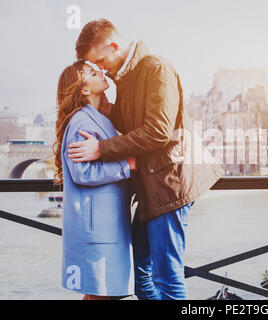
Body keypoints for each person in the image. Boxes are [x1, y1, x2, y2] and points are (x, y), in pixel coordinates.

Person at [70, 19, 224, 300]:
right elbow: (134, 124)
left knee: (166, 278)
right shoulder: (126, 77)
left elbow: (157, 132)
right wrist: (104, 107)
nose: (101, 68)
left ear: (114, 46)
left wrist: (101, 149)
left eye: (101, 60)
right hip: (150, 186)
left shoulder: (156, 68)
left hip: (169, 184)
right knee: (143, 277)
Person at [54, 60, 137, 300]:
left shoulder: (98, 118)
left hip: (105, 222)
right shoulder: (81, 121)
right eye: (92, 72)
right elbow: (82, 173)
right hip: (97, 225)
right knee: (100, 293)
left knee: (99, 293)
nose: (101, 71)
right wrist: (127, 166)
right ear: (84, 89)